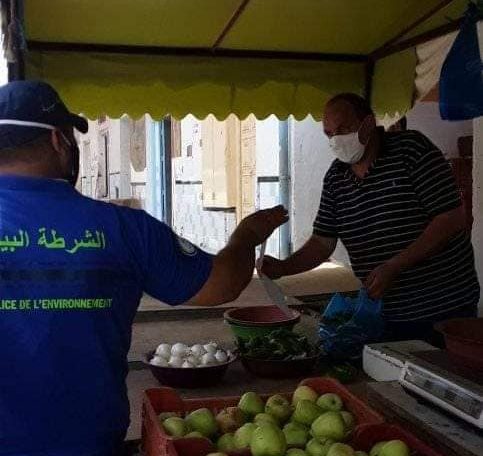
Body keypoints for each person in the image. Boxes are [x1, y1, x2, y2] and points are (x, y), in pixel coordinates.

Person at [0, 81, 288, 456]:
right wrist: (246, 236)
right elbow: (222, 284)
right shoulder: (123, 229)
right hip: (91, 443)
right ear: (59, 141)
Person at [262, 93, 479, 344]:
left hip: (442, 306)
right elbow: (322, 242)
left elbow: (451, 218)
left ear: (368, 123)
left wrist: (395, 265)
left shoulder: (411, 150)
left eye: (343, 129)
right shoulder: (336, 177)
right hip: (384, 312)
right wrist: (284, 267)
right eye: (329, 134)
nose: (336, 139)